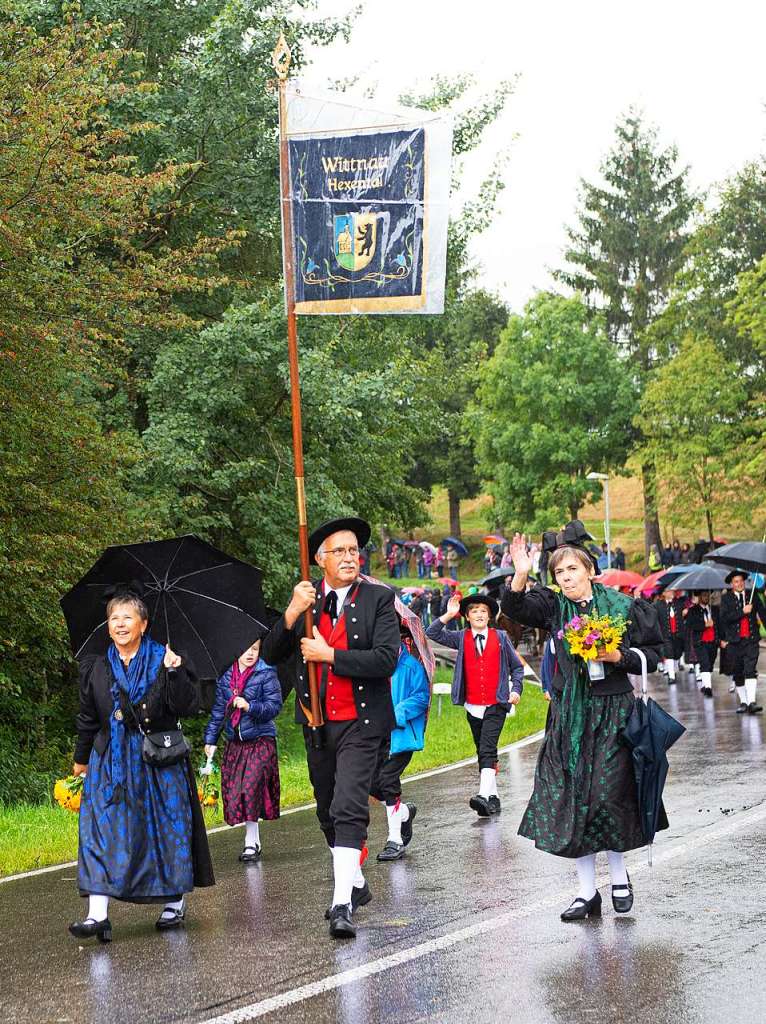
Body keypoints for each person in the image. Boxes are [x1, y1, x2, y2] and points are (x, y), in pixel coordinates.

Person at [503, 523, 664, 921]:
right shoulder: (554, 606)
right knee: (575, 800)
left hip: (613, 713)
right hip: (569, 716)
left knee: (610, 795)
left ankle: (621, 877)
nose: (566, 578)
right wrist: (522, 573)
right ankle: (586, 892)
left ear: (590, 570)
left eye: (572, 570)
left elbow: (654, 656)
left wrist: (619, 658)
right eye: (559, 573)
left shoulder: (622, 606)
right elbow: (515, 609)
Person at [261, 517, 400, 939]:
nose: (349, 557)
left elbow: (385, 659)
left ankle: (341, 904)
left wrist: (330, 655)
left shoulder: (378, 598)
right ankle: (356, 885)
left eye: (354, 550)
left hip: (362, 721)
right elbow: (270, 654)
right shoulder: (308, 601)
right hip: (317, 722)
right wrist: (290, 612)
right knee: (326, 810)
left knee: (348, 805)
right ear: (320, 559)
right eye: (339, 551)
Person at [69, 586, 214, 943]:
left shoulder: (166, 658)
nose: (119, 624)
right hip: (110, 764)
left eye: (127, 617)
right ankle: (97, 915)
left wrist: (176, 673)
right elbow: (89, 716)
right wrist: (81, 759)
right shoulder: (98, 667)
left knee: (164, 831)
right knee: (98, 831)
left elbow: (187, 707)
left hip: (157, 761)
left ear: (144, 624)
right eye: (113, 618)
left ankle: (173, 901)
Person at [426, 593, 524, 816]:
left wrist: (516, 689)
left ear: (489, 616)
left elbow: (517, 668)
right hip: (472, 705)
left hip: (497, 703)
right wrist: (449, 615)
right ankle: (493, 798)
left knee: (488, 748)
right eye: (474, 611)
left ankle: (482, 795)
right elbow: (431, 633)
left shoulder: (500, 638)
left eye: (483, 611)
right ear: (467, 617)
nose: (479, 614)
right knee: (483, 750)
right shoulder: (460, 637)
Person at [203, 639, 282, 862]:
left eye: (255, 649)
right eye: (245, 649)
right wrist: (211, 739)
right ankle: (254, 839)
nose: (250, 653)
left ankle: (250, 843)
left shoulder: (266, 674)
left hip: (260, 741)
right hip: (235, 743)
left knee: (251, 788)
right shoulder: (226, 677)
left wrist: (250, 706)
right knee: (236, 792)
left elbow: (274, 707)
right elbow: (219, 711)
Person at [370, 629, 429, 861]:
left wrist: (398, 712)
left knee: (387, 780)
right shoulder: (373, 665)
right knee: (370, 784)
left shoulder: (411, 666)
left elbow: (422, 697)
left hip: (401, 736)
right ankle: (404, 812)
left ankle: (394, 839)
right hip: (375, 734)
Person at [719, 571, 766, 714]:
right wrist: (742, 611)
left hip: (751, 640)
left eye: (741, 581)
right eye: (736, 582)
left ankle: (751, 702)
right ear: (732, 584)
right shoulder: (726, 599)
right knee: (738, 671)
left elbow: (763, 614)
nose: (739, 584)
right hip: (734, 641)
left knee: (750, 669)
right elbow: (724, 619)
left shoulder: (752, 596)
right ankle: (744, 702)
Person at [685, 591, 719, 698]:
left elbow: (720, 624)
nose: (706, 597)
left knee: (710, 665)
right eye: (704, 595)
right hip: (700, 642)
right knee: (704, 663)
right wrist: (705, 625)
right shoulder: (692, 610)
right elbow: (691, 625)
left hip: (713, 642)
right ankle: (708, 688)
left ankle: (705, 685)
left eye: (708, 595)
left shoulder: (714, 609)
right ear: (699, 597)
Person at [656, 587, 684, 683]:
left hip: (678, 634)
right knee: (669, 653)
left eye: (672, 590)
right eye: (668, 590)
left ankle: (674, 671)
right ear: (663, 593)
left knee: (677, 654)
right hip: (665, 634)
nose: (671, 592)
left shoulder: (679, 603)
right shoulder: (658, 605)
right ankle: (671, 676)